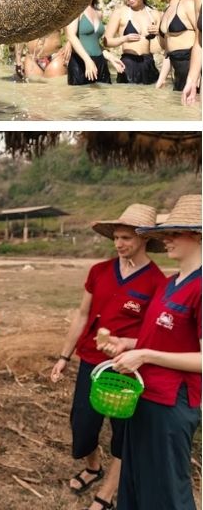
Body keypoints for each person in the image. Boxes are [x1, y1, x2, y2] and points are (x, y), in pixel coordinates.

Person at [48, 204, 166, 510]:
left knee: (124, 432)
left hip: (127, 369)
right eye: (115, 237)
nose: (118, 243)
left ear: (143, 239)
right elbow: (83, 314)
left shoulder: (157, 282)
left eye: (126, 237)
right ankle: (93, 466)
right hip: (91, 361)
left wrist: (128, 346)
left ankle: (109, 491)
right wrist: (64, 355)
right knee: (83, 424)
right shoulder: (99, 271)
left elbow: (157, 336)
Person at [97, 194, 201, 510]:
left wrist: (145, 357)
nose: (165, 240)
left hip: (172, 402)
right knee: (136, 479)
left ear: (197, 235)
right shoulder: (171, 283)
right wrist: (126, 344)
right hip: (143, 394)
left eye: (174, 233)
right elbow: (158, 338)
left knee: (166, 487)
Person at [103, 0, 160, 85]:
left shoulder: (154, 14)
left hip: (149, 63)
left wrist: (159, 33)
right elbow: (106, 42)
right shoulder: (120, 12)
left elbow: (163, 45)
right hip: (128, 64)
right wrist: (124, 39)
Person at [155, 0, 198, 92]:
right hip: (177, 73)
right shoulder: (166, 11)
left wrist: (196, 75)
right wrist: (161, 80)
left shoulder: (188, 4)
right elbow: (168, 52)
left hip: (193, 68)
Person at [67, 0, 112, 86]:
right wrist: (87, 60)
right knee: (81, 98)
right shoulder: (75, 9)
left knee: (104, 98)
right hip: (80, 63)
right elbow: (71, 36)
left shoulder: (98, 13)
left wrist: (111, 57)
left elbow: (94, 42)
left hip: (100, 62)